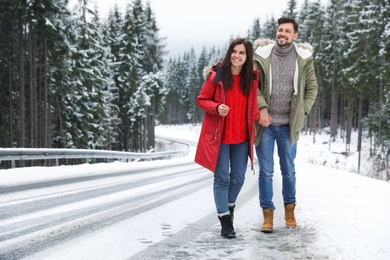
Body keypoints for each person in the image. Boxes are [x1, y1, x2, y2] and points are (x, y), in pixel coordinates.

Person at [253, 17, 318, 233]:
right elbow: (254, 87)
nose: (282, 34)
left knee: (288, 171)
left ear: (295, 36)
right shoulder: (261, 56)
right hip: (265, 124)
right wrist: (262, 108)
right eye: (280, 30)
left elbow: (312, 89)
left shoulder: (303, 59)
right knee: (266, 172)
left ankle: (290, 212)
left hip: (289, 126)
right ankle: (267, 216)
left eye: (287, 31)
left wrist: (303, 111)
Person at [195, 38, 260, 239]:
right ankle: (225, 221)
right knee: (222, 178)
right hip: (220, 137)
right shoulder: (217, 76)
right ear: (229, 53)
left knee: (239, 178)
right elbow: (201, 99)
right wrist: (216, 107)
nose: (237, 56)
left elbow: (254, 108)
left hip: (241, 137)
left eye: (242, 53)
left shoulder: (251, 78)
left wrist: (264, 115)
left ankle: (229, 208)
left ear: (247, 57)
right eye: (234, 51)